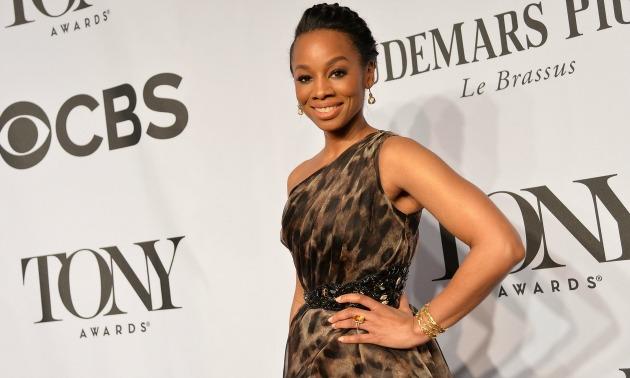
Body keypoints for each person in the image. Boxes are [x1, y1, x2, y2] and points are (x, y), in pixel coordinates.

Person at [280, 3, 525, 377]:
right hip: (311, 361)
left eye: (337, 72)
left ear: (369, 73)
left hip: (376, 363)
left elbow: (501, 244)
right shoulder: (298, 178)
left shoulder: (392, 155)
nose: (321, 90)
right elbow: (306, 285)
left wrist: (417, 327)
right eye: (305, 78)